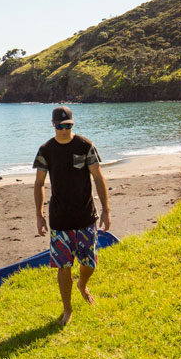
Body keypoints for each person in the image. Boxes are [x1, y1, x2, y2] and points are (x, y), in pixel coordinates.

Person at [33, 106, 110, 326]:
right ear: (53, 125)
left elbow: (98, 177)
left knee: (90, 263)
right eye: (61, 126)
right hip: (59, 219)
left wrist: (106, 210)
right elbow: (39, 183)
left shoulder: (85, 146)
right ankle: (68, 310)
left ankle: (82, 284)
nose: (65, 130)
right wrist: (39, 216)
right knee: (63, 267)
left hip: (86, 216)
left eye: (68, 126)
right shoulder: (46, 150)